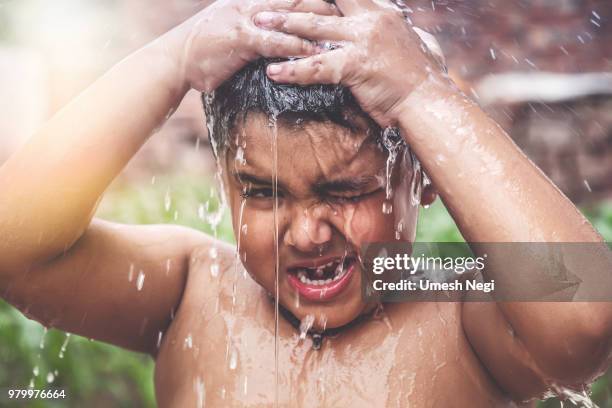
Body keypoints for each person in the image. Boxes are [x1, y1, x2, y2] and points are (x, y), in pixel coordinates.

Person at [0, 0, 610, 406]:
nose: (307, 233)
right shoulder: (191, 289)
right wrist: (175, 56)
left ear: (424, 177)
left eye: (346, 191)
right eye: (263, 193)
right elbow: (15, 245)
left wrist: (422, 93)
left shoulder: (443, 296)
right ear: (225, 182)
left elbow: (583, 315)